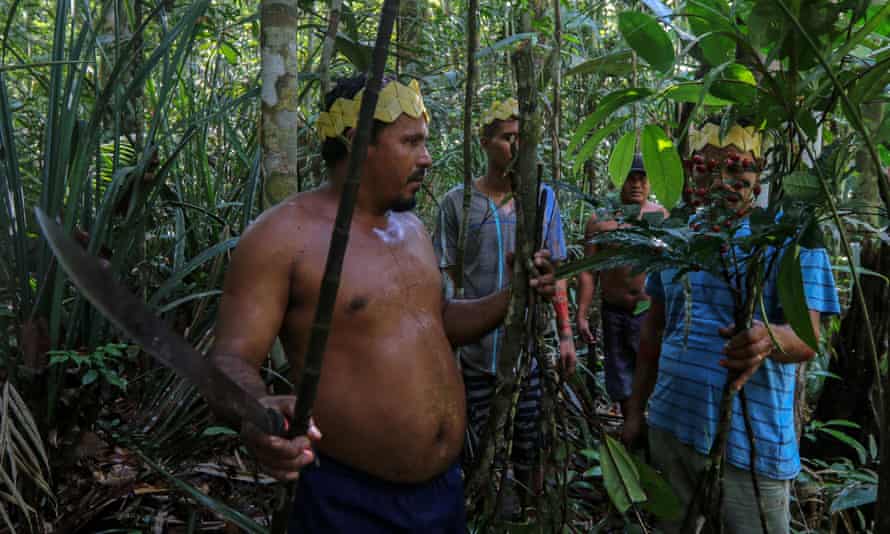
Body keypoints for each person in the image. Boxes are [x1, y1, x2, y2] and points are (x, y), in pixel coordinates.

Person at [206, 75, 558, 533]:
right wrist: (260, 412)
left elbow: (440, 322)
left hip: (442, 493)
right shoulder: (283, 237)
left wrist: (516, 295)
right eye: (411, 142)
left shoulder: (410, 229)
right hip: (349, 500)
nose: (427, 158)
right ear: (356, 143)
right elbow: (229, 360)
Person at [621, 120, 840, 534]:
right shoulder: (676, 235)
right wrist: (637, 411)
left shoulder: (791, 237)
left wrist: (767, 339)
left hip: (753, 446)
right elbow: (654, 330)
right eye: (710, 170)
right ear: (693, 172)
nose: (724, 182)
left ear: (759, 175)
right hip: (670, 425)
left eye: (738, 171)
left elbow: (808, 338)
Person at [434, 97, 577, 513]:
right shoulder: (457, 202)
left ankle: (528, 513)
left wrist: (565, 334)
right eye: (506, 137)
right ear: (484, 141)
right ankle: (487, 509)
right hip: (477, 355)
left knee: (531, 445)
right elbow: (447, 277)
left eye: (521, 138)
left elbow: (558, 271)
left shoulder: (543, 199)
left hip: (530, 352)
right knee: (479, 447)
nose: (515, 146)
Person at [576, 154, 668, 417]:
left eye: (642, 179)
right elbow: (587, 271)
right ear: (620, 181)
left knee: (651, 370)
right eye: (630, 178)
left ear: (650, 183)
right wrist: (581, 314)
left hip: (648, 312)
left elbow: (673, 271)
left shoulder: (660, 218)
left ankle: (648, 426)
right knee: (620, 375)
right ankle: (631, 427)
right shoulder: (600, 220)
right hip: (614, 310)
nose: (636, 184)